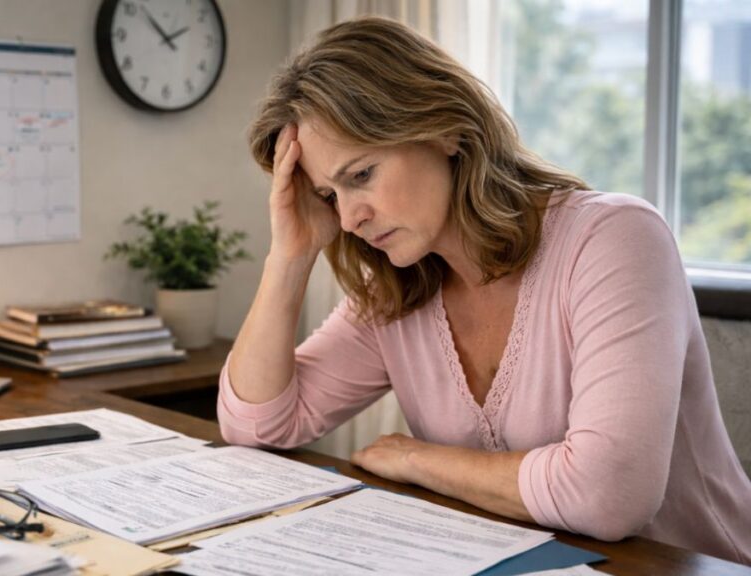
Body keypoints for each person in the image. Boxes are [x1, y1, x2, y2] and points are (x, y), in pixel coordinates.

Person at [218, 16, 751, 564]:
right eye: (330, 196)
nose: (350, 218)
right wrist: (291, 256)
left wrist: (419, 460)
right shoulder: (397, 291)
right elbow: (256, 426)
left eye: (361, 176)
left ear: (444, 128)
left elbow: (609, 495)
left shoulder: (616, 239)